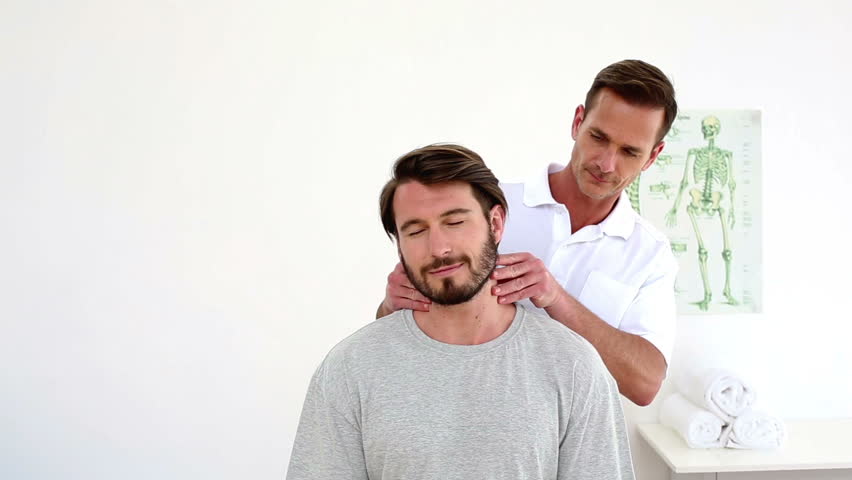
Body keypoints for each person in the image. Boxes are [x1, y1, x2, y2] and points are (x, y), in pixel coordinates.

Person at [287, 145, 633, 479]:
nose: (438, 248)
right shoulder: (349, 369)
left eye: (454, 222)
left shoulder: (573, 368)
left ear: (496, 224)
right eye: (416, 230)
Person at [377, 60, 679, 406]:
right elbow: (399, 326)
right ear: (578, 122)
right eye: (598, 137)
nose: (606, 163)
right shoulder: (486, 209)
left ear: (653, 156)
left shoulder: (650, 254)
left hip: (568, 440)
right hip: (454, 412)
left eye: (629, 152)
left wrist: (556, 299)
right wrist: (389, 305)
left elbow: (645, 385)